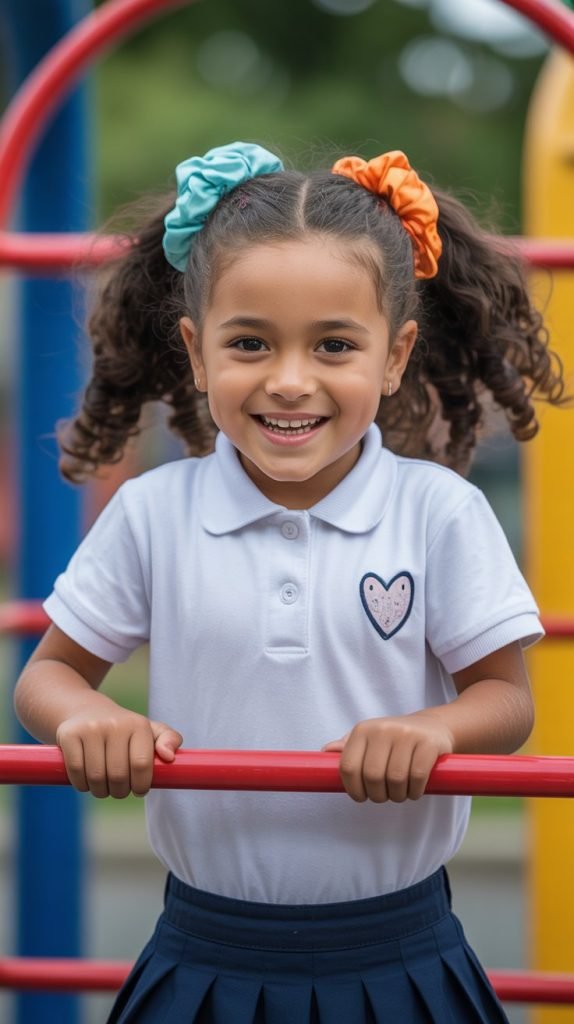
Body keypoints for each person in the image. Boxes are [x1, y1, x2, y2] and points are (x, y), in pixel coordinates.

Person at [14, 141, 565, 1024]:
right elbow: (48, 674)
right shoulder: (155, 514)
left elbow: (505, 699)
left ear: (394, 357)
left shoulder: (439, 514)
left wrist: (432, 729)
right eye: (250, 343)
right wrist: (89, 716)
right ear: (196, 353)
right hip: (203, 952)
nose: (291, 380)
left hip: (403, 952)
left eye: (336, 344)